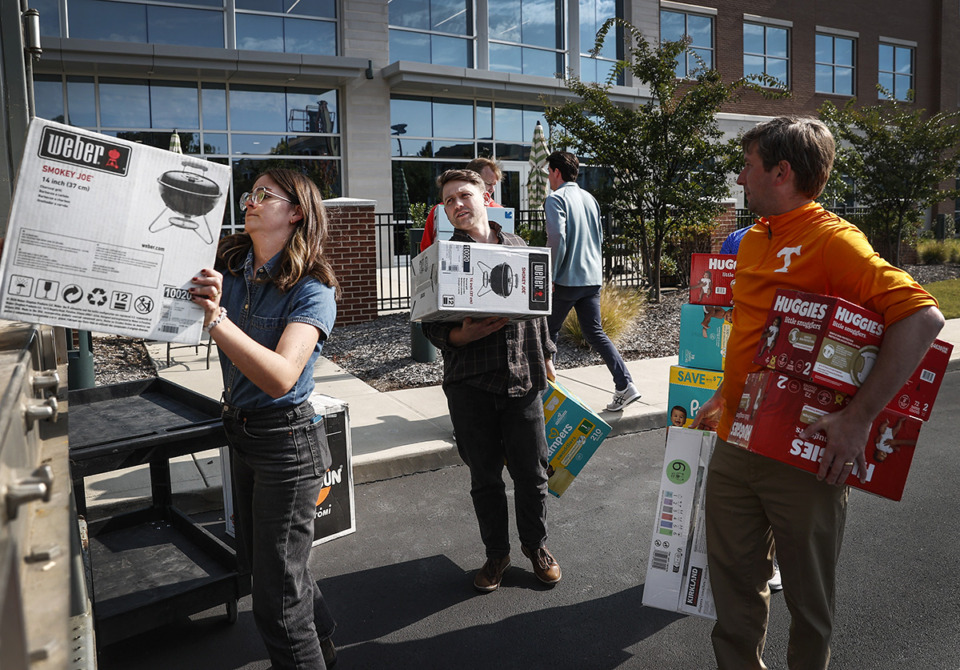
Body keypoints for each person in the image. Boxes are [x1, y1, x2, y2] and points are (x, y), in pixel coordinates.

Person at [692, 116, 943, 670]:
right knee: (733, 589)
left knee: (809, 602)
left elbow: (923, 317)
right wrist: (723, 394)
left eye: (749, 166)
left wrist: (859, 420)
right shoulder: (756, 238)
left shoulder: (832, 241)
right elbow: (759, 334)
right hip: (736, 439)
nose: (739, 177)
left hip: (802, 456)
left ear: (782, 172)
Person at [190, 168, 341, 669]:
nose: (249, 202)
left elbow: (280, 376)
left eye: (263, 195)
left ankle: (311, 651)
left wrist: (217, 319)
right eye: (249, 194)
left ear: (295, 211)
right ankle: (327, 646)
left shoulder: (313, 288)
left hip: (287, 446)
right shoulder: (231, 266)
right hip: (243, 432)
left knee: (276, 606)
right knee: (274, 570)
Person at [421, 169, 562, 593]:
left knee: (533, 476)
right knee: (484, 478)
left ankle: (535, 547)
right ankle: (496, 554)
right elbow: (428, 324)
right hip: (471, 385)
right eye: (448, 201)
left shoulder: (519, 247)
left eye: (464, 195)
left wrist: (548, 358)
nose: (457, 205)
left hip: (523, 381)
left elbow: (539, 309)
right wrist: (460, 336)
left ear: (487, 195)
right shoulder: (442, 256)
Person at [543, 151, 641, 412]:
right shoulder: (590, 199)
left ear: (556, 172)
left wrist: (550, 275)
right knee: (595, 333)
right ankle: (625, 385)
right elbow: (598, 239)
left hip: (565, 280)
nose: (548, 179)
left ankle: (542, 396)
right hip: (591, 278)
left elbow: (557, 239)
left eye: (548, 173)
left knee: (545, 333)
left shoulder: (555, 199)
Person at [419, 157, 503, 253]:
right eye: (489, 184)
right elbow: (426, 251)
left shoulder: (512, 240)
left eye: (494, 184)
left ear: (485, 198)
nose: (493, 189)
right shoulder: (438, 211)